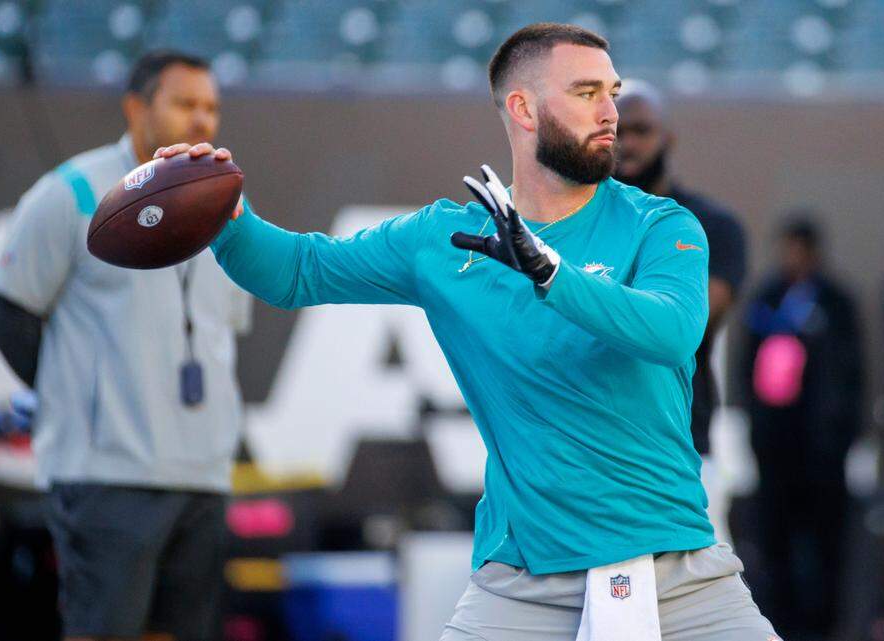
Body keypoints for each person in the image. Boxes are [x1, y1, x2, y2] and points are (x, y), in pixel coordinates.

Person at [159, 23, 778, 641]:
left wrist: (549, 271)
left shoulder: (661, 223)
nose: (611, 111)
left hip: (681, 575)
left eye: (612, 92)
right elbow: (296, 273)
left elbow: (672, 332)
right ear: (523, 107)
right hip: (524, 581)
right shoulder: (444, 240)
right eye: (588, 92)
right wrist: (223, 212)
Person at [0, 51, 252, 641]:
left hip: (203, 472)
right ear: (137, 107)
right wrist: (79, 402)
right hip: (108, 471)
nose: (203, 120)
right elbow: (11, 316)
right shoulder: (71, 193)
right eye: (185, 104)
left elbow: (224, 334)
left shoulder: (229, 205)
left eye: (211, 106)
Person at [612, 80, 748, 543]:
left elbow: (684, 324)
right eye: (616, 130)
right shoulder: (583, 222)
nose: (627, 143)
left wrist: (586, 296)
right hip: (601, 444)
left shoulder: (714, 225)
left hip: (683, 440)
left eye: (640, 130)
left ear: (667, 137)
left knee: (702, 601)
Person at [737, 215, 864, 640]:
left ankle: (824, 624)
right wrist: (754, 426)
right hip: (775, 444)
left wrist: (842, 434)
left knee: (827, 540)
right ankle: (778, 621)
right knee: (774, 539)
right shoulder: (767, 298)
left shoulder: (836, 302)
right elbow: (745, 364)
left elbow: (851, 373)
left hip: (823, 447)